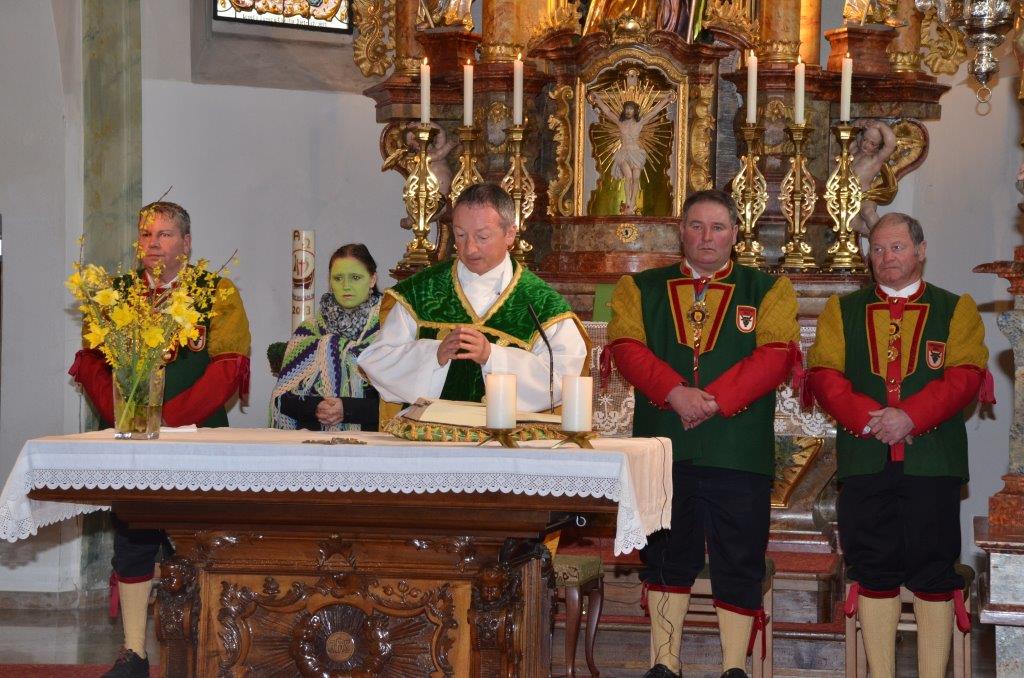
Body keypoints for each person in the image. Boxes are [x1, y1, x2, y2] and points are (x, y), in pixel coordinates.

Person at [606, 189, 800, 678]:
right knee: (665, 555)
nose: (706, 237)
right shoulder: (638, 288)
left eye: (717, 227)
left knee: (739, 557)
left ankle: (734, 667)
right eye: (696, 226)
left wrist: (711, 400)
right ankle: (664, 663)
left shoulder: (769, 290)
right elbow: (626, 347)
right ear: (681, 232)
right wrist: (675, 393)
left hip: (738, 449)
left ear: (735, 233)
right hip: (663, 447)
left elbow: (776, 355)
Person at [68, 201, 251, 678]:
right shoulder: (116, 294)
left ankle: (204, 656)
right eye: (146, 234)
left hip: (199, 439)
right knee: (133, 538)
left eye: (165, 234)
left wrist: (167, 418)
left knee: (198, 545)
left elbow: (228, 366)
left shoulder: (217, 292)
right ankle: (134, 653)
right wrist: (128, 415)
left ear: (186, 243)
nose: (153, 243)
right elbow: (92, 364)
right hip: (132, 441)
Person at [806, 212, 992, 678]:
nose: (886, 257)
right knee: (872, 569)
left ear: (921, 251)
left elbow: (966, 375)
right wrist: (871, 421)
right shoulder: (840, 310)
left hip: (932, 463)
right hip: (865, 460)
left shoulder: (957, 309)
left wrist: (910, 416)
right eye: (878, 249)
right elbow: (824, 374)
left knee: (934, 570)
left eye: (897, 247)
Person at [358, 182, 589, 415]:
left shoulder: (542, 304)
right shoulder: (421, 293)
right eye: (460, 235)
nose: (470, 248)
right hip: (432, 434)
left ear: (510, 234)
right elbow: (377, 361)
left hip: (506, 435)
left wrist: (493, 357)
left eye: (482, 236)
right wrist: (433, 356)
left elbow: (562, 378)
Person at [272, 243, 382, 431]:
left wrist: (348, 409)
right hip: (312, 439)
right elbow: (283, 398)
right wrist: (316, 408)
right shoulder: (309, 331)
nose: (346, 286)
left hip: (372, 440)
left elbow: (401, 403)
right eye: (338, 278)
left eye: (355, 277)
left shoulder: (389, 329)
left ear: (372, 280)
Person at [588, 85, 677, 216]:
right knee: (628, 177)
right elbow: (607, 111)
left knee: (635, 178)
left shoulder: (639, 123)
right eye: (627, 109)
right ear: (624, 111)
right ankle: (628, 202)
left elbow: (654, 111)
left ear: (635, 111)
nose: (629, 111)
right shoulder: (620, 122)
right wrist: (598, 100)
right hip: (623, 153)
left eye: (631, 109)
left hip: (636, 153)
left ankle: (632, 203)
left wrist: (666, 100)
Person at [850, 120, 897, 240]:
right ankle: (877, 237)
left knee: (868, 212)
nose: (866, 145)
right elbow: (848, 133)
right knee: (852, 222)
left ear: (879, 147)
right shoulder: (853, 151)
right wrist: (859, 123)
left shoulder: (876, 159)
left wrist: (880, 125)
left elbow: (891, 143)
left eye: (872, 143)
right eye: (865, 139)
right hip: (849, 198)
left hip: (865, 196)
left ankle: (884, 238)